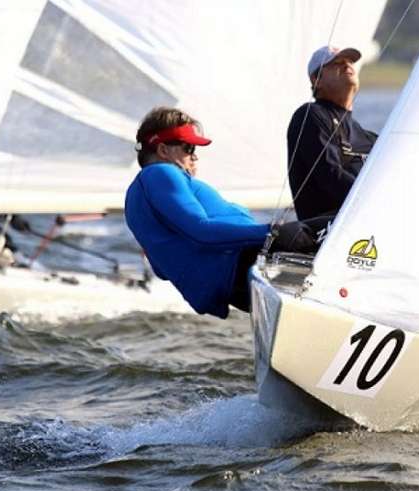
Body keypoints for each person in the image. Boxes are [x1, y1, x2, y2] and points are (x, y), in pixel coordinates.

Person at [125, 107, 315, 318]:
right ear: (162, 150)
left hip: (235, 284)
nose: (194, 157)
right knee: (337, 225)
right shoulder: (161, 173)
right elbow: (202, 231)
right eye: (188, 148)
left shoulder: (137, 198)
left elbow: (161, 269)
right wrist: (271, 233)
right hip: (245, 264)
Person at [287, 45, 378, 221]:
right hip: (331, 231)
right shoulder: (310, 116)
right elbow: (330, 176)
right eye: (337, 63)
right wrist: (377, 204)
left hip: (369, 223)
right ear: (317, 79)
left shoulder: (369, 137)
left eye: (350, 62)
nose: (347, 66)